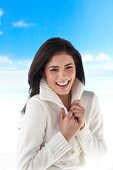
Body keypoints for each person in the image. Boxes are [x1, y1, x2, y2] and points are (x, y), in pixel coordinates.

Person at [17, 37, 106, 170]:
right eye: (54, 69)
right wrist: (64, 137)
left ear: (76, 68)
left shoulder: (90, 99)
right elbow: (25, 167)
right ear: (43, 72)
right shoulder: (37, 105)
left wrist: (82, 128)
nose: (63, 76)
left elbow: (99, 156)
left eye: (68, 67)